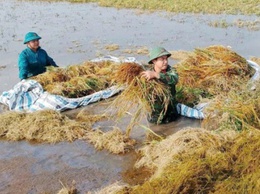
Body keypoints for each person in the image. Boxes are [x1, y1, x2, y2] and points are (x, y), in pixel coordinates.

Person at [141, 47, 179, 124]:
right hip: (154, 114)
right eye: (162, 59)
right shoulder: (146, 72)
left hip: (170, 113)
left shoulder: (171, 70)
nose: (165, 62)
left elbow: (174, 79)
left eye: (166, 59)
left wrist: (156, 75)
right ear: (154, 61)